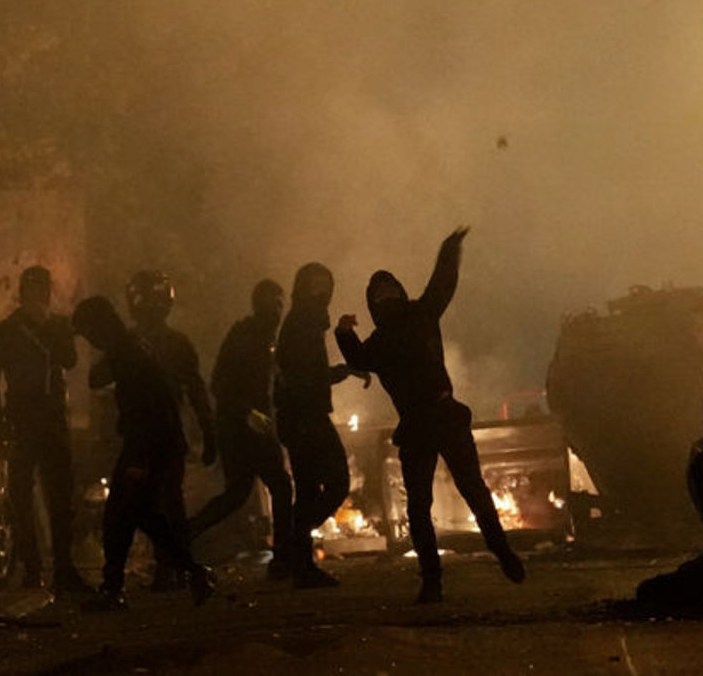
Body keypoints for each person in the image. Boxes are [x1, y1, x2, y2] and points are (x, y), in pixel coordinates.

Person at [335, 227, 525, 604]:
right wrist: (343, 332)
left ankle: (490, 557)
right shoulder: (400, 327)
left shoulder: (416, 317)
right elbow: (357, 357)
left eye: (388, 291)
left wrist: (449, 249)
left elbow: (442, 283)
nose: (385, 298)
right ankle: (442, 575)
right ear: (374, 304)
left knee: (456, 495)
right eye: (379, 294)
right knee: (429, 503)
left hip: (438, 418)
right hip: (426, 423)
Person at [72, 296, 214, 608]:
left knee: (120, 515)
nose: (91, 341)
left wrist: (139, 459)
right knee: (145, 516)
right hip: (158, 442)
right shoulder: (129, 346)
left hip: (148, 444)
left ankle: (113, 588)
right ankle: (193, 573)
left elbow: (144, 405)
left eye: (89, 333)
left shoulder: (127, 351)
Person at [0, 266, 91, 593]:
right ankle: (32, 568)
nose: (38, 295)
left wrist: (51, 330)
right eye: (34, 289)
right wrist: (0, 423)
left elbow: (69, 361)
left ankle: (62, 567)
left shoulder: (56, 325)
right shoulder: (7, 330)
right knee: (21, 495)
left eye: (41, 289)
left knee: (59, 495)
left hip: (50, 418)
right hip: (23, 418)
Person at [187, 279, 294, 578]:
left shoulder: (264, 338)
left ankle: (183, 536)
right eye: (272, 302)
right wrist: (249, 413)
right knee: (279, 487)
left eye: (279, 303)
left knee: (237, 494)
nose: (277, 309)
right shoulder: (245, 337)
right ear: (258, 304)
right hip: (241, 428)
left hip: (246, 426)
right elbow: (220, 383)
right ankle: (283, 558)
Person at [124, 270, 217, 591]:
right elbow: (196, 391)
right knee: (166, 502)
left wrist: (208, 431)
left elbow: (195, 389)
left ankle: (172, 567)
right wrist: (208, 431)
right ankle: (176, 566)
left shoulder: (136, 342)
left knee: (157, 504)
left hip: (149, 435)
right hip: (157, 434)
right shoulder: (167, 342)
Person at [274, 262, 365, 588]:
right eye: (314, 286)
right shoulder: (301, 324)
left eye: (325, 286)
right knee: (337, 482)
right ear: (302, 289)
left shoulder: (306, 323)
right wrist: (344, 370)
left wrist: (343, 370)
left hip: (300, 416)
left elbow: (308, 375)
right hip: (305, 418)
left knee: (310, 492)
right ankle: (290, 551)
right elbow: (304, 378)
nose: (321, 293)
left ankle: (300, 564)